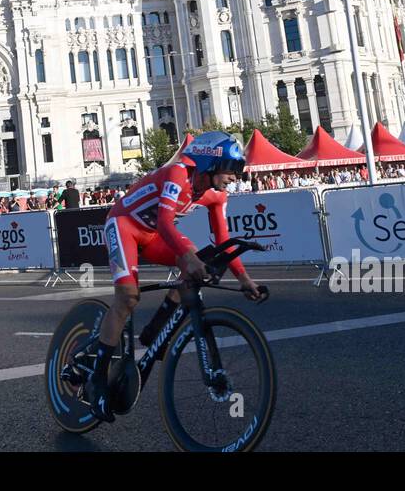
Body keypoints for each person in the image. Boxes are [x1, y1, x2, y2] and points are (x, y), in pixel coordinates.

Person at [73, 131, 265, 422]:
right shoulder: (178, 173)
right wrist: (188, 258)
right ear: (209, 164)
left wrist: (244, 279)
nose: (234, 177)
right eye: (231, 169)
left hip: (152, 235)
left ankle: (155, 330)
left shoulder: (216, 195)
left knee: (199, 264)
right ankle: (98, 381)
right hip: (124, 224)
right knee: (127, 298)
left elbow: (222, 237)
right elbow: (165, 223)